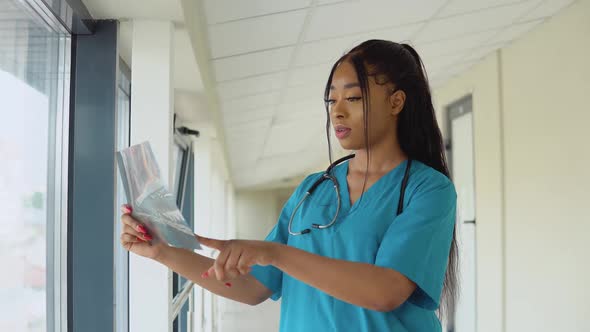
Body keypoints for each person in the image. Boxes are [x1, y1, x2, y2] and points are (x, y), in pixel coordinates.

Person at [120, 39, 458, 332]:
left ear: (396, 102)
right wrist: (162, 251)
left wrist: (275, 253)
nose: (337, 112)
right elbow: (253, 287)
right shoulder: (315, 189)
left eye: (352, 99)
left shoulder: (427, 191)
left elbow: (385, 291)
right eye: (331, 100)